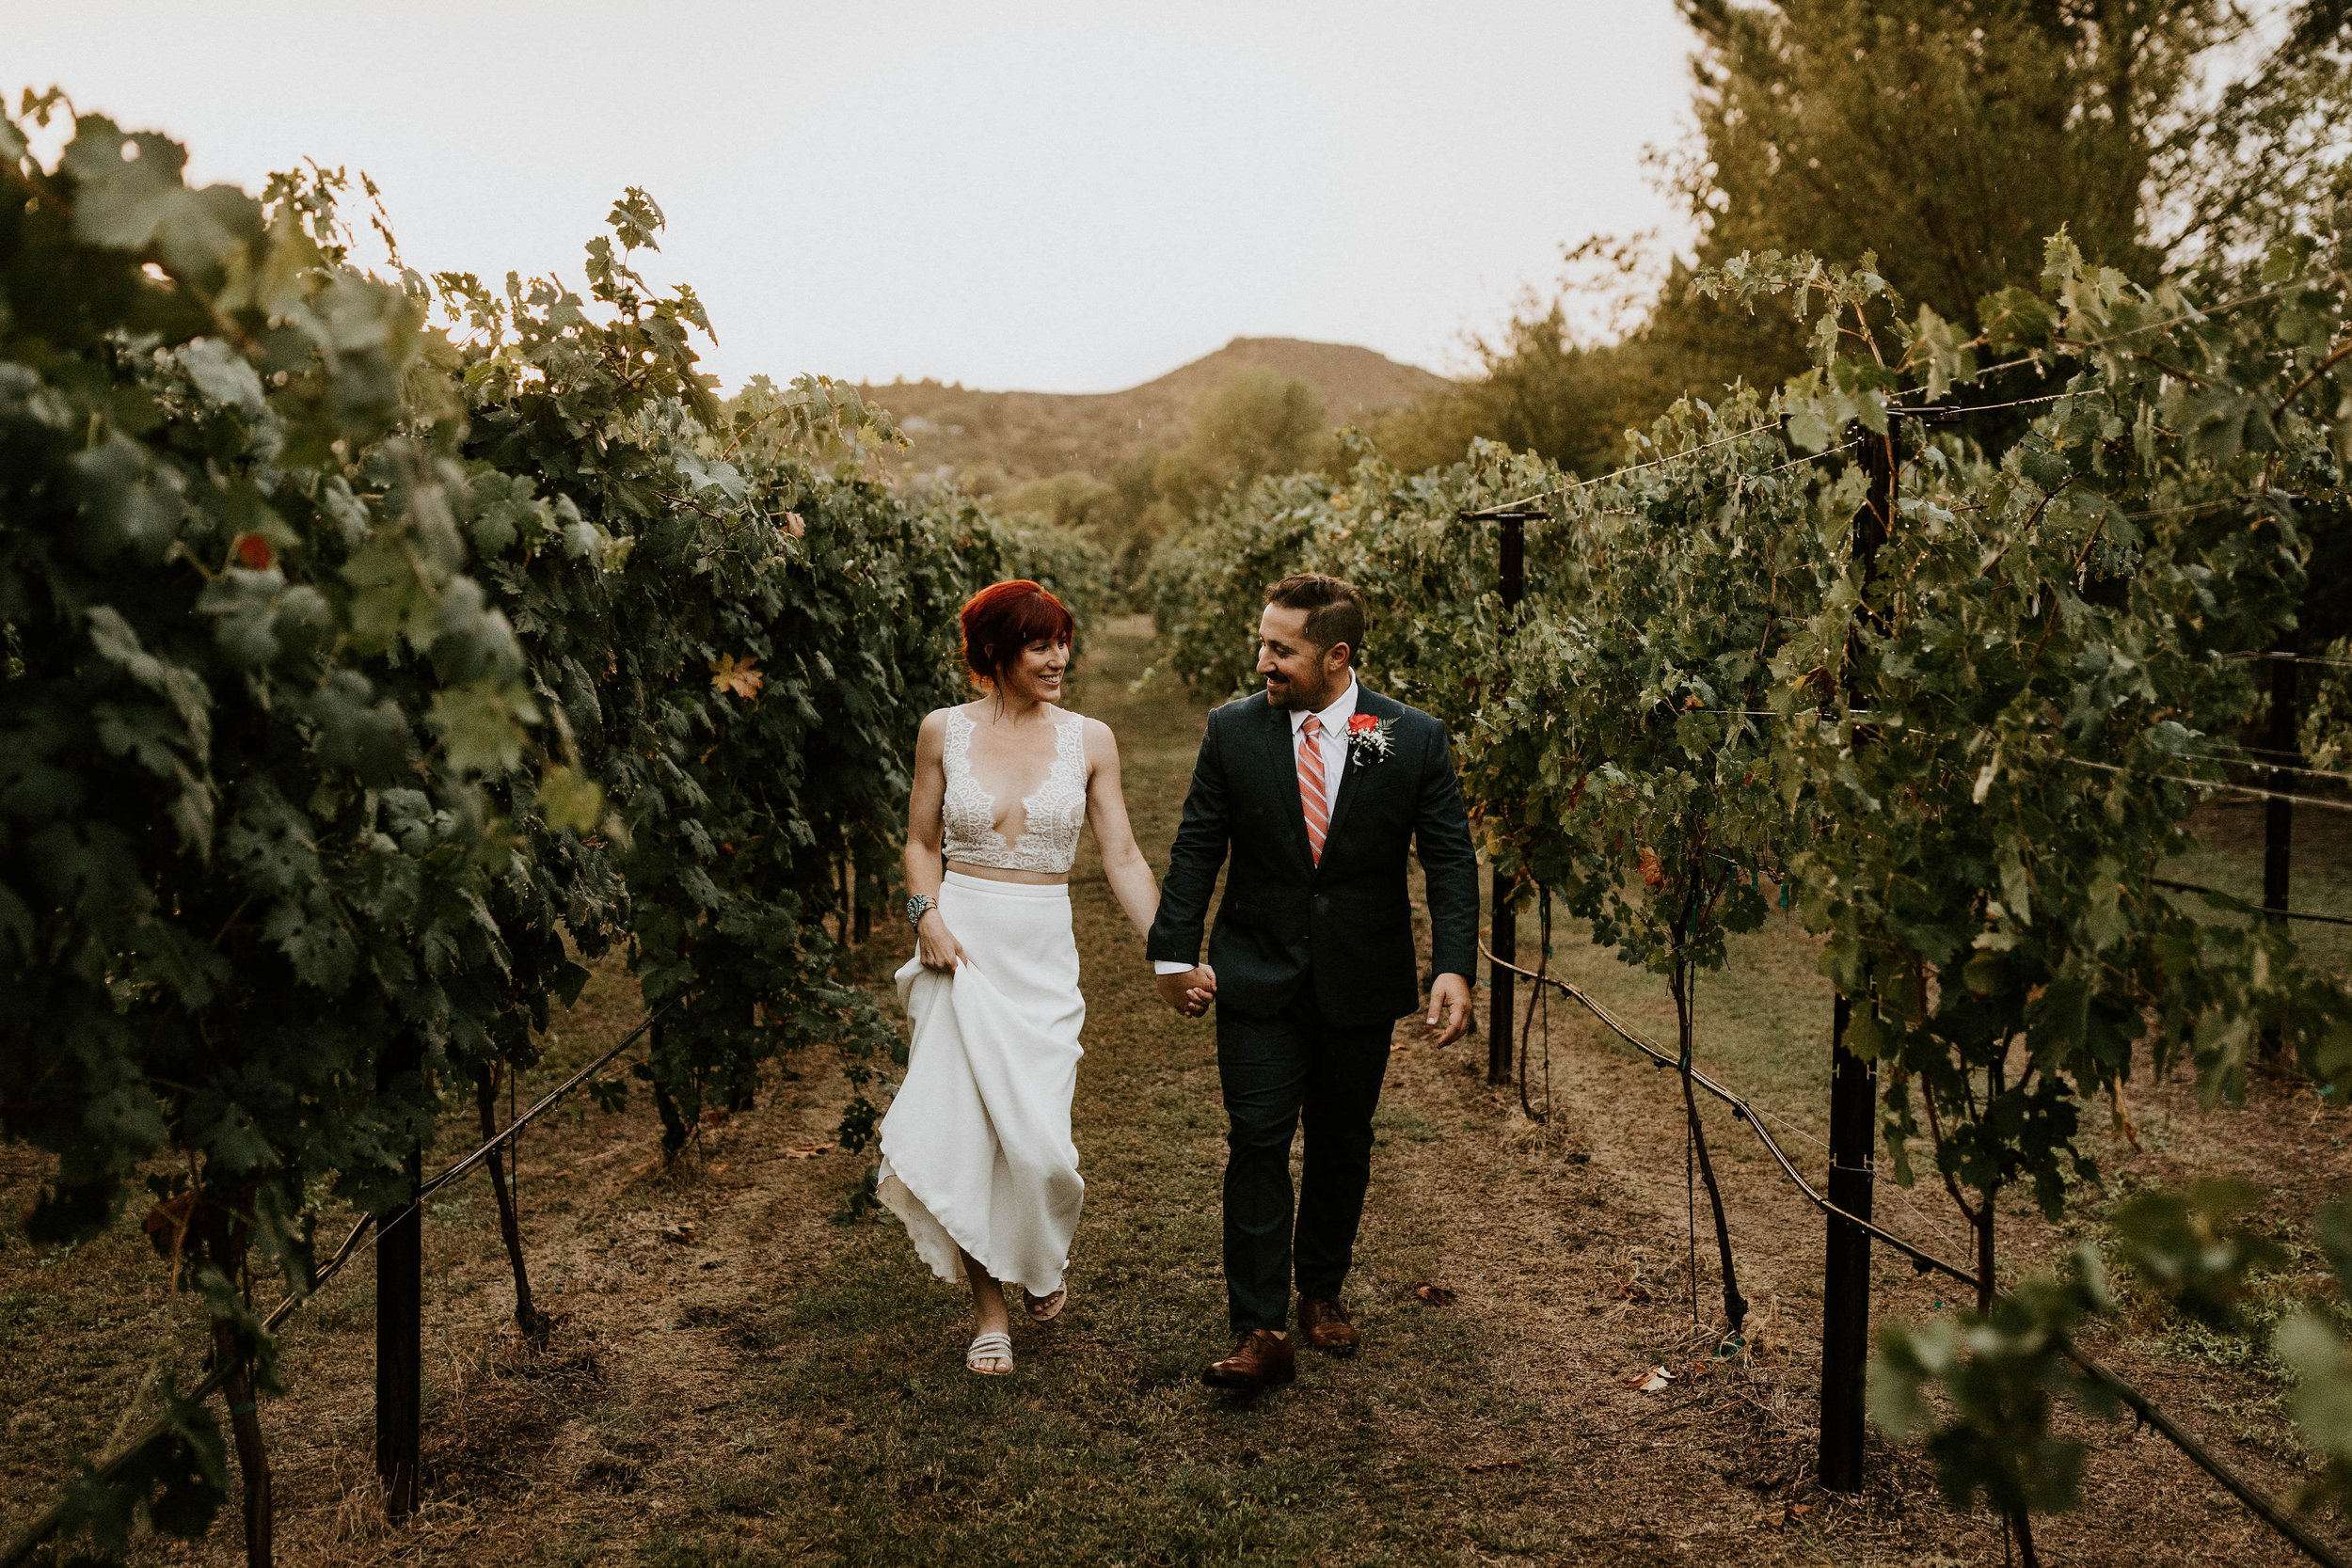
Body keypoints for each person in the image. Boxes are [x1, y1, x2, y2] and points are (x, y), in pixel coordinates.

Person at [1147, 572, 1478, 1393]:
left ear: (1335, 656)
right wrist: (1171, 953)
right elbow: (1196, 847)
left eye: (1279, 648)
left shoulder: (1414, 737)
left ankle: (1321, 1287)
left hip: (1360, 979)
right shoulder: (1232, 731)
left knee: (1342, 1139)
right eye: (1262, 642)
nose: (1261, 660)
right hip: (1256, 971)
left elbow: (1448, 858)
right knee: (1256, 1139)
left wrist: (1453, 964)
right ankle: (1257, 1325)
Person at [879, 579, 1168, 1376]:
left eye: (1062, 642)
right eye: (1040, 645)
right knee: (970, 1134)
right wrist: (924, 915)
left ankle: (1040, 1256)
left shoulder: (1092, 739)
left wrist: (1168, 951)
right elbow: (918, 840)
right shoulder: (942, 731)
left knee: (1040, 1145)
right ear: (996, 655)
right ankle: (989, 1312)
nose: (1058, 658)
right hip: (960, 947)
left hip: (1041, 953)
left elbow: (1123, 857)